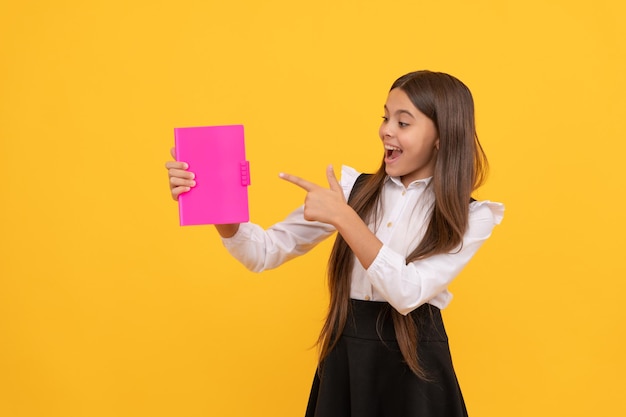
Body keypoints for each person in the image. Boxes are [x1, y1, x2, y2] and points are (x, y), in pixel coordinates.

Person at [165, 70, 504, 417]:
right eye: (386, 117)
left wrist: (344, 217)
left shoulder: (470, 216)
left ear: (441, 137)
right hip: (348, 365)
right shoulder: (351, 190)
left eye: (404, 123)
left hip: (418, 377)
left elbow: (408, 292)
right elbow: (262, 252)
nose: (386, 129)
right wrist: (214, 198)